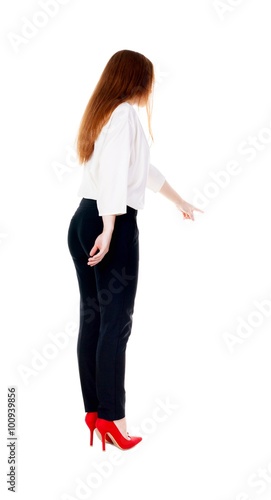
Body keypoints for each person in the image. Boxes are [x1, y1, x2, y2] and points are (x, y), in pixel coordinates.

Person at [67, 49, 203, 451]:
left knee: (93, 316)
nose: (151, 88)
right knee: (116, 322)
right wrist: (111, 228)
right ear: (137, 80)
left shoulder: (105, 113)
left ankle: (94, 411)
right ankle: (114, 419)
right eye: (149, 79)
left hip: (82, 219)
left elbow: (139, 171)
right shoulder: (125, 113)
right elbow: (114, 175)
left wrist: (179, 200)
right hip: (113, 222)